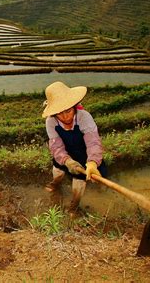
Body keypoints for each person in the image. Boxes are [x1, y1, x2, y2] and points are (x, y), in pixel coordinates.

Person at [42, 81, 107, 216]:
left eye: (68, 111)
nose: (65, 116)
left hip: (82, 153)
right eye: (60, 113)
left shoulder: (84, 117)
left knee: (79, 182)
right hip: (64, 152)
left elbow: (93, 142)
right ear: (54, 113)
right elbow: (56, 145)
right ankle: (55, 184)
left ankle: (74, 206)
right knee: (58, 171)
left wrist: (92, 163)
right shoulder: (51, 121)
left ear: (74, 107)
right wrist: (66, 160)